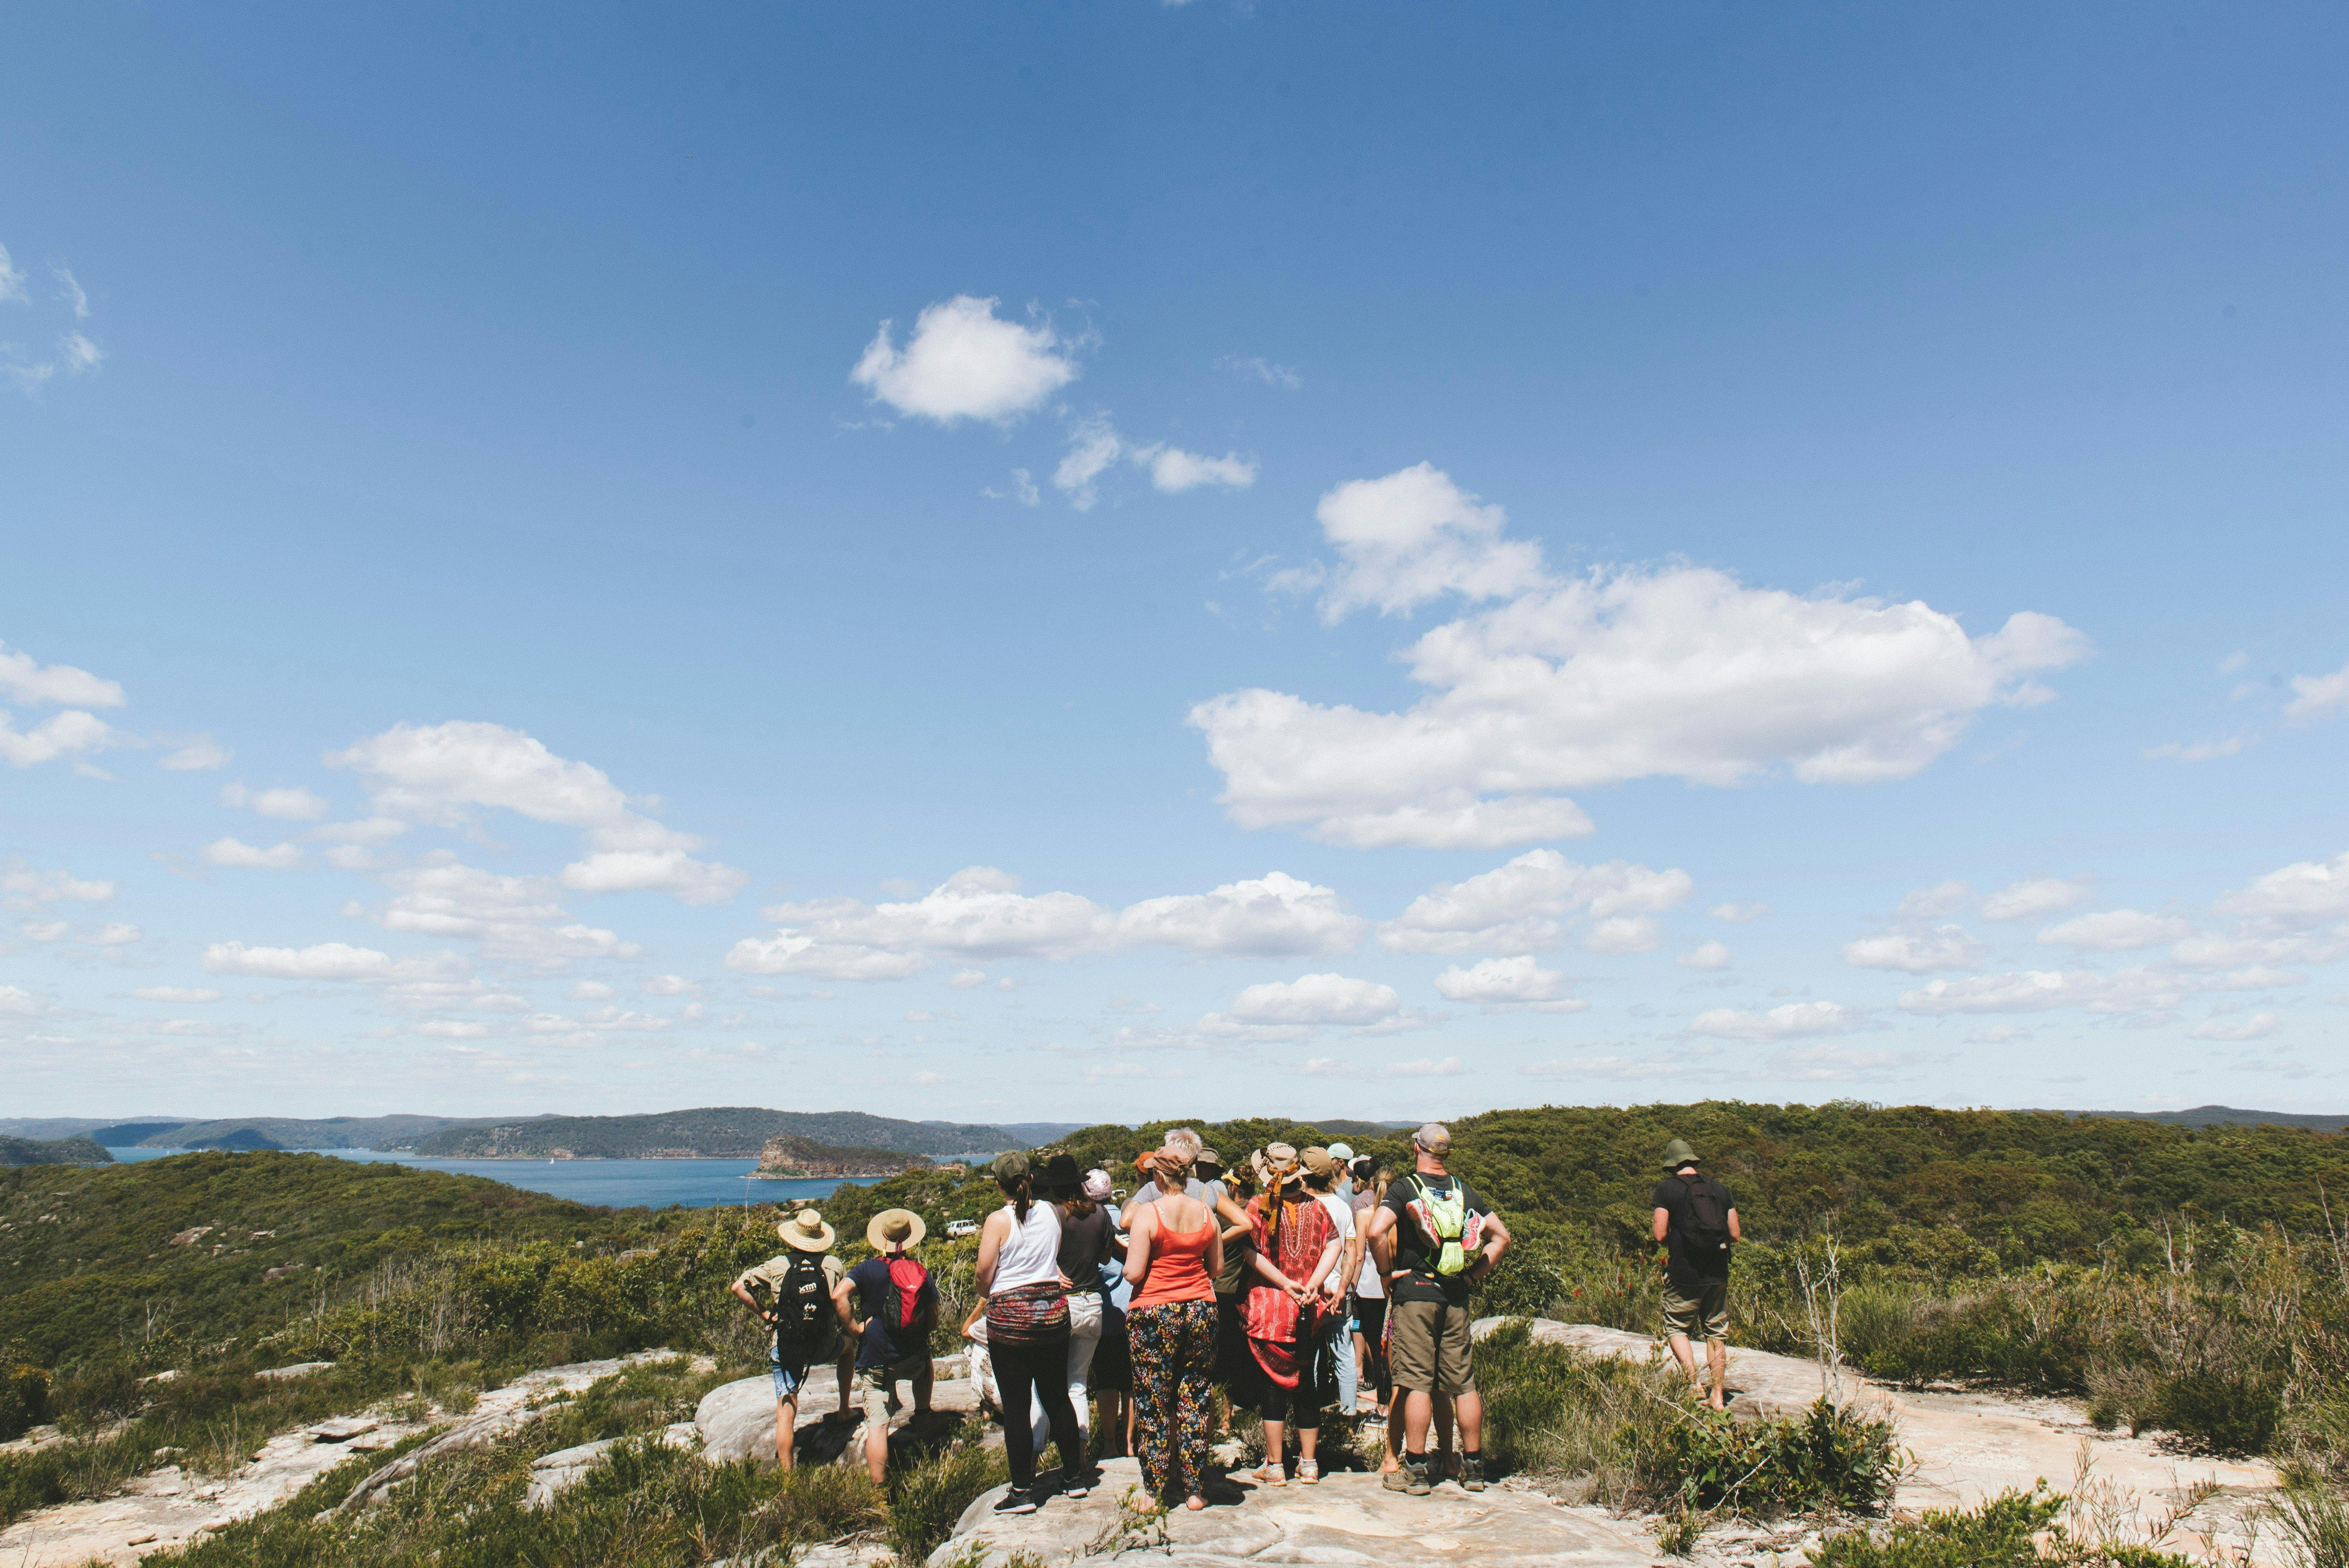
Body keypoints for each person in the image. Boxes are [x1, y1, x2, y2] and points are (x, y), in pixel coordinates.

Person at [1365, 1123, 1511, 1496]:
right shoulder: (1464, 1192)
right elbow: (1502, 1237)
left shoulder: (1405, 1188)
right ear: (1446, 1154)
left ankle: (1414, 1471)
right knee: (1463, 1384)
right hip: (1456, 1294)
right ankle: (1473, 1467)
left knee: (1415, 1382)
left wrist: (1385, 1274)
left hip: (1416, 1293)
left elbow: (1376, 1232)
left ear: (1418, 1148)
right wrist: (1473, 1277)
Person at [977, 1151, 1090, 1513]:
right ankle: (1074, 1479)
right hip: (1053, 1314)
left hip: (1010, 1322)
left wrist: (989, 1292)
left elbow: (984, 1273)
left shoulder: (998, 1220)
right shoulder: (1052, 1213)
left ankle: (1022, 1492)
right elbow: (1049, 1258)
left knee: (1016, 1407)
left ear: (999, 1185)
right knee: (1057, 1395)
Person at [1124, 1134, 1225, 1511]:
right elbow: (1216, 1268)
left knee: (1153, 1399)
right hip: (1201, 1307)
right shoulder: (1206, 1213)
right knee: (1195, 1396)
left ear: (1160, 1179)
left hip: (1155, 1311)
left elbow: (1134, 1273)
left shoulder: (1148, 1214)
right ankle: (1195, 1489)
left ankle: (1154, 1491)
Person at [1242, 1143, 1340, 1486]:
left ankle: (1275, 1466)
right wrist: (1313, 1283)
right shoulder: (1317, 1208)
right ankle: (1310, 1464)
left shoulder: (1258, 1206)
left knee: (1273, 1386)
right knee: (1306, 1383)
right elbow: (1335, 1244)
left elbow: (1250, 1253)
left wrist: (1285, 1283)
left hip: (1269, 1307)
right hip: (1309, 1309)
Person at [730, 1207, 855, 1469]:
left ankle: (788, 1480)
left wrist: (766, 1315)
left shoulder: (777, 1265)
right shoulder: (834, 1265)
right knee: (850, 1347)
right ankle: (845, 1409)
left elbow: (738, 1287)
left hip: (787, 1348)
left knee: (786, 1411)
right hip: (823, 1347)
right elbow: (843, 1301)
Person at [847, 1208, 937, 1483]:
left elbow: (839, 1296)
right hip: (912, 1357)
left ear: (882, 1237)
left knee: (878, 1427)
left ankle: (879, 1494)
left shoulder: (865, 1269)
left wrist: (855, 1329)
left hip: (875, 1358)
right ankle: (922, 1413)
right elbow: (933, 1319)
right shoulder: (920, 1272)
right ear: (909, 1239)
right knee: (927, 1365)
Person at [1652, 1137, 1741, 1410]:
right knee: (1716, 1332)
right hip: (1717, 1272)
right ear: (1692, 1161)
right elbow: (1736, 1235)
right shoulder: (1719, 1188)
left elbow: (1659, 1235)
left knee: (1677, 1328)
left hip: (1684, 1272)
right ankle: (1718, 1395)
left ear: (1672, 1166)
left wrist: (1681, 1241)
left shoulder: (1666, 1190)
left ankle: (1693, 1384)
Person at [1041, 1152, 1116, 1456]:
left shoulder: (1054, 1215)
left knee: (1052, 1386)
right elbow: (1106, 1258)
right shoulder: (1100, 1214)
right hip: (1093, 1303)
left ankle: (1052, 1454)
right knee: (1078, 1385)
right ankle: (1081, 1455)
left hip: (1063, 1305)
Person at [1301, 1147, 1361, 1421]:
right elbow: (1352, 1252)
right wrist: (1343, 1288)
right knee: (1344, 1357)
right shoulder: (1341, 1206)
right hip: (1338, 1293)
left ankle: (1309, 1417)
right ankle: (1349, 1417)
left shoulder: (1301, 1206)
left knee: (1310, 1359)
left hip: (1307, 1294)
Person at [1081, 1168, 1135, 1458]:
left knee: (1106, 1381)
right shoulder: (1130, 1219)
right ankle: (1129, 1443)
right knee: (1130, 1382)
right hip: (1132, 1311)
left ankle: (1110, 1444)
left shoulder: (1088, 1222)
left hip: (1103, 1315)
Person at [1349, 1160, 1390, 1417]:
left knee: (1375, 1344)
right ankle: (1392, 1398)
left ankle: (1381, 1402)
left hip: (1368, 1286)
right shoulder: (1398, 1213)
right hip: (1391, 1286)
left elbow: (1359, 1256)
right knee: (1392, 1347)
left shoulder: (1364, 1215)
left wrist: (1351, 1285)